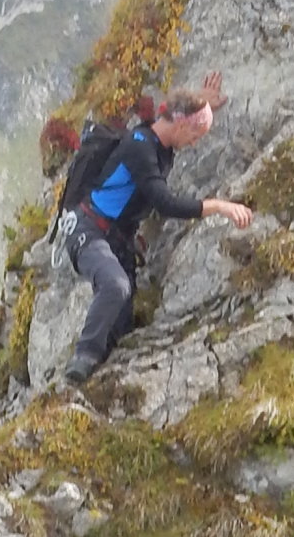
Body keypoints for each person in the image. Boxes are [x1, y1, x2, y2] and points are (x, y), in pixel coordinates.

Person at [58, 74, 253, 384]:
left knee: (121, 327)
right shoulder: (141, 148)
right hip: (89, 230)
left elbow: (171, 109)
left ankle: (100, 377)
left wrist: (202, 102)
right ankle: (83, 359)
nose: (195, 143)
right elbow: (164, 203)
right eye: (196, 134)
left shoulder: (160, 139)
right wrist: (219, 206)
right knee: (115, 286)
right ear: (182, 124)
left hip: (116, 240)